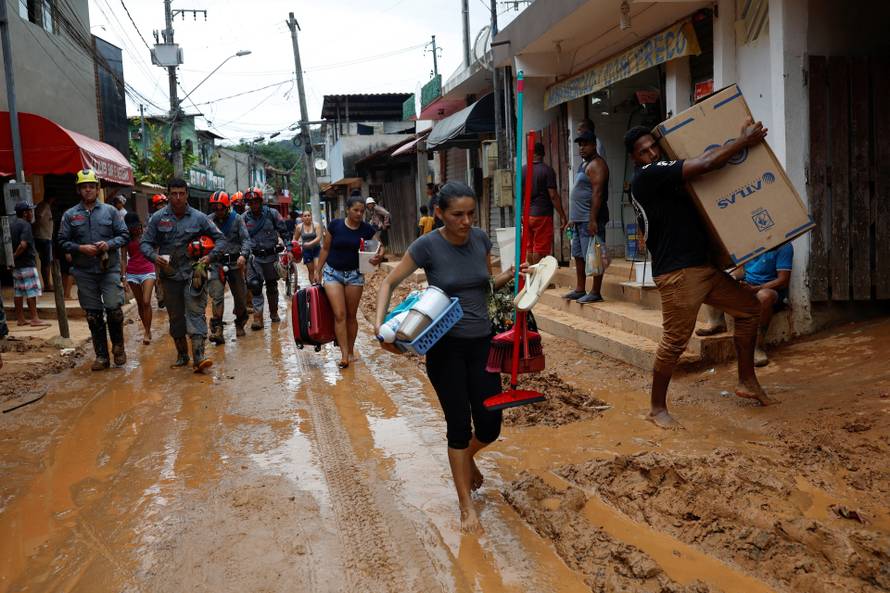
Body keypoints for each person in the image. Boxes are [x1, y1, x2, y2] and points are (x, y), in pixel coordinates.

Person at [375, 181, 520, 534]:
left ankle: (465, 459)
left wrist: (513, 276)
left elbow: (485, 288)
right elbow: (388, 283)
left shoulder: (481, 239)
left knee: (490, 425)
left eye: (471, 213)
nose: (466, 221)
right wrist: (380, 329)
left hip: (483, 343)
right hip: (444, 347)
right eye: (458, 214)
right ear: (440, 212)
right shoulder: (427, 246)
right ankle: (465, 505)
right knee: (458, 426)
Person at [626, 119, 776, 429]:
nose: (652, 153)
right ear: (634, 158)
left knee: (750, 309)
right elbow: (707, 162)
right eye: (643, 151)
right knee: (674, 342)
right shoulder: (647, 177)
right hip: (680, 274)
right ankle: (656, 409)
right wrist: (743, 141)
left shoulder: (666, 182)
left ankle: (747, 381)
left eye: (654, 146)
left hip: (703, 268)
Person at [141, 177, 224, 372]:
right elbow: (145, 243)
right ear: (168, 195)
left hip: (194, 273)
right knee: (176, 317)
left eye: (181, 193)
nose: (178, 197)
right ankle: (182, 355)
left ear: (187, 194)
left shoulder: (200, 218)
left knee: (195, 312)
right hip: (169, 276)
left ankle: (199, 357)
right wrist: (154, 257)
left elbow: (220, 239)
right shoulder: (157, 218)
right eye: (174, 194)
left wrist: (209, 258)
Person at [58, 170, 130, 370]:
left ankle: (118, 346)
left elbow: (124, 235)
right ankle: (101, 356)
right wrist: (80, 248)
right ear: (79, 190)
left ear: (97, 189)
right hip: (84, 271)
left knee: (114, 309)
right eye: (84, 186)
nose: (88, 189)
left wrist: (108, 244)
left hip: (109, 269)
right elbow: (62, 241)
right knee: (92, 315)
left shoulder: (111, 212)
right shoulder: (70, 215)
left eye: (91, 186)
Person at [697, 244, 794, 367]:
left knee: (764, 297)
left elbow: (783, 280)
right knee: (712, 279)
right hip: (749, 286)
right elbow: (742, 271)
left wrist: (756, 288)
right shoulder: (751, 242)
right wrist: (730, 278)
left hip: (770, 290)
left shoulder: (784, 246)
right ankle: (717, 322)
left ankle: (757, 346)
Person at [315, 194, 383, 368]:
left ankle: (351, 351)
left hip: (355, 275)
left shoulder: (367, 229)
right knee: (340, 314)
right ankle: (344, 355)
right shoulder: (335, 226)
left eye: (361, 211)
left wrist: (378, 257)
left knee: (351, 316)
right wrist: (318, 270)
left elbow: (379, 248)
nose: (359, 214)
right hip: (333, 274)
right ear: (347, 210)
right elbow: (325, 248)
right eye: (355, 210)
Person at [563, 129, 610, 304]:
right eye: (580, 145)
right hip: (579, 220)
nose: (581, 148)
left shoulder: (597, 164)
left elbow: (597, 194)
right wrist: (572, 218)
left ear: (593, 145)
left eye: (585, 144)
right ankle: (580, 288)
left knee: (595, 255)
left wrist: (592, 220)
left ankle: (595, 291)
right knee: (579, 255)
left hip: (590, 220)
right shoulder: (584, 164)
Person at [206, 190, 250, 344]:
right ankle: (218, 329)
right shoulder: (208, 221)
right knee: (217, 296)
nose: (218, 212)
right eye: (215, 208)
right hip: (216, 263)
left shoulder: (237, 219)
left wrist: (243, 255)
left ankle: (240, 322)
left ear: (227, 207)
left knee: (240, 298)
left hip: (235, 263)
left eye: (221, 208)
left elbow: (245, 239)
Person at [242, 187, 289, 330]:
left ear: (261, 201)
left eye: (256, 201)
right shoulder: (244, 218)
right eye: (250, 202)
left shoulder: (272, 214)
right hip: (254, 258)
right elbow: (241, 237)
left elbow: (284, 232)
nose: (253, 204)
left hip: (271, 257)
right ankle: (257, 318)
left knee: (272, 286)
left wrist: (289, 249)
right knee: (255, 286)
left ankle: (274, 313)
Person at [10, 202, 50, 327]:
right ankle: (35, 318)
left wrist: (11, 259)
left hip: (16, 265)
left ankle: (20, 319)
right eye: (30, 211)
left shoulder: (12, 225)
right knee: (31, 291)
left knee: (18, 292)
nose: (32, 213)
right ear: (25, 213)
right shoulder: (25, 225)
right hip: (27, 263)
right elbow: (23, 245)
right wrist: (14, 256)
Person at [528, 142, 568, 264]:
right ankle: (537, 278)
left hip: (526, 215)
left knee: (530, 247)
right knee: (540, 247)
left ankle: (530, 277)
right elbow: (553, 195)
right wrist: (562, 216)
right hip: (542, 215)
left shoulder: (523, 170)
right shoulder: (547, 170)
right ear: (543, 154)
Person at [122, 212, 155, 344]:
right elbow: (123, 258)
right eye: (130, 227)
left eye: (134, 226)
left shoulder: (147, 235)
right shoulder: (125, 239)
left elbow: (155, 252)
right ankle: (147, 329)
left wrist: (159, 272)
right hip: (132, 273)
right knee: (140, 303)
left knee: (146, 302)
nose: (133, 229)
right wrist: (123, 278)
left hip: (148, 270)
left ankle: (147, 332)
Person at [33, 195, 55, 291]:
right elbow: (39, 216)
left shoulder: (44, 205)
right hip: (43, 237)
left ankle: (47, 284)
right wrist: (36, 229)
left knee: (45, 262)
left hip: (44, 237)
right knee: (46, 262)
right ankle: (47, 285)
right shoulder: (44, 205)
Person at [150, 194, 168, 309]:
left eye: (163, 204)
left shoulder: (171, 215)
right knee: (159, 276)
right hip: (158, 251)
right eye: (159, 204)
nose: (161, 206)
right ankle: (160, 298)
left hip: (170, 251)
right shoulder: (154, 219)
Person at [296, 209, 322, 283]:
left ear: (311, 217)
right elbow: (295, 239)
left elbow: (319, 237)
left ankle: (319, 285)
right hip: (306, 251)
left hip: (317, 249)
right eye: (305, 216)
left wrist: (309, 244)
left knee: (318, 268)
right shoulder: (299, 227)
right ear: (302, 218)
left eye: (308, 215)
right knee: (311, 270)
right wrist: (295, 248)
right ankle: (313, 288)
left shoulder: (316, 225)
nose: (307, 217)